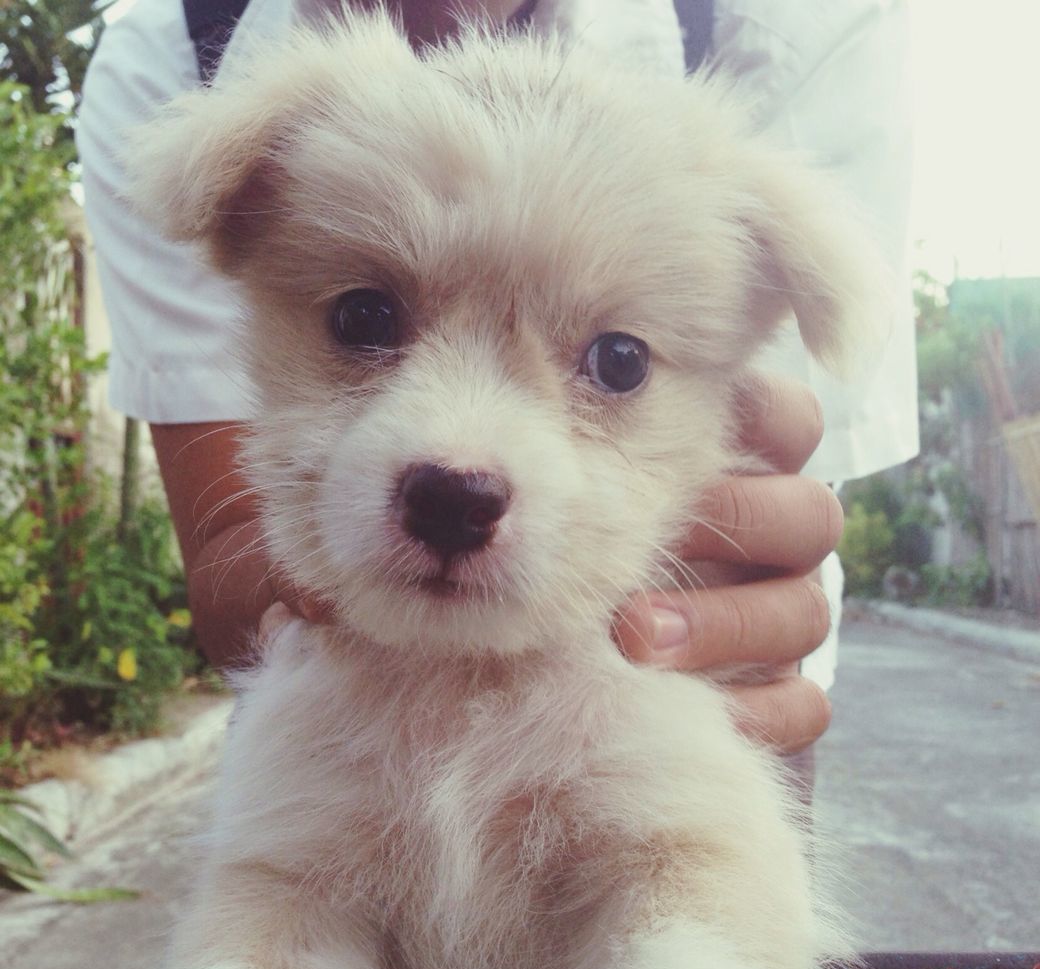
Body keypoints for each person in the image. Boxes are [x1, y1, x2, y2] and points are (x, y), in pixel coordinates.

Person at [77, 0, 917, 758]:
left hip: (667, 702)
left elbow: (785, 533)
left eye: (614, 364)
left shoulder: (791, 28)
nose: (459, 449)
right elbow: (230, 568)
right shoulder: (173, 58)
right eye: (364, 321)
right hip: (333, 725)